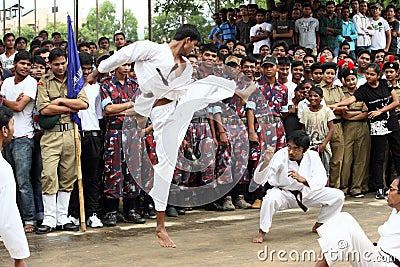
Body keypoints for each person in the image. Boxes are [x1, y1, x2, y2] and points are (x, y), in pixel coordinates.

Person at [88, 24, 242, 248]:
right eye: (194, 46)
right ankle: (160, 227)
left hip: (179, 108)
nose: (194, 51)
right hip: (161, 114)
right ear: (188, 40)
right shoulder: (152, 50)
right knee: (166, 167)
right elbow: (124, 54)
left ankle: (235, 88)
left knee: (214, 87)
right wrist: (97, 72)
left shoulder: (186, 65)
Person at [252, 130, 345, 243]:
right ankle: (262, 231)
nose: (291, 151)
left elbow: (321, 179)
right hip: (283, 194)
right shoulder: (281, 155)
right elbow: (260, 179)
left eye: (296, 148)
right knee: (269, 199)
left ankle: (320, 224)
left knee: (338, 195)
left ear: (305, 150)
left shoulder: (313, 156)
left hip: (305, 192)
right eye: (289, 147)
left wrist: (304, 180)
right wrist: (266, 162)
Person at [36, 48, 89, 234]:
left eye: (63, 63)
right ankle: (49, 218)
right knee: (49, 174)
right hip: (51, 135)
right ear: (49, 64)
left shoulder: (75, 80)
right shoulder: (43, 82)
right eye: (56, 64)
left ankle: (62, 217)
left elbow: (83, 104)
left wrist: (58, 102)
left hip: (71, 134)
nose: (60, 67)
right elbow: (43, 110)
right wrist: (67, 104)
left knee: (69, 176)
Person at [331, 63, 400, 199]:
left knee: (397, 153)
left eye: (372, 74)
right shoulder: (363, 89)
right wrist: (337, 105)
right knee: (379, 157)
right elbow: (351, 99)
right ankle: (379, 187)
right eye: (367, 74)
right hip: (377, 126)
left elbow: (396, 102)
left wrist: (380, 111)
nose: (368, 76)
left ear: (378, 75)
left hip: (391, 123)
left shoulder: (386, 84)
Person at [315, 177, 400, 267]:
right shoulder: (396, 210)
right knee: (343, 218)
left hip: (388, 263)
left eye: (391, 190)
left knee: (346, 226)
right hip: (377, 255)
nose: (387, 192)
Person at [1, 51, 38, 233]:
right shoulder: (7, 82)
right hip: (6, 137)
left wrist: (4, 101)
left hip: (24, 137)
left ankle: (29, 219)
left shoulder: (31, 83)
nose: (25, 67)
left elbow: (18, 106)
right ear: (14, 64)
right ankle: (11, 218)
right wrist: (8, 102)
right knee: (8, 181)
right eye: (22, 63)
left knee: (23, 182)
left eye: (28, 65)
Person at [0, 106, 30, 267]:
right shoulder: (3, 169)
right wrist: (19, 257)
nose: (13, 130)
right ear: (4, 130)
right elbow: (7, 218)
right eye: (12, 124)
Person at [300, 86, 335, 173]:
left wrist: (324, 144)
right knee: (310, 169)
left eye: (316, 96)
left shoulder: (327, 111)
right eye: (310, 96)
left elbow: (331, 129)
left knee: (324, 170)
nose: (312, 98)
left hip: (323, 144)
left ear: (321, 98)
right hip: (309, 145)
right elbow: (303, 130)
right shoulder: (305, 111)